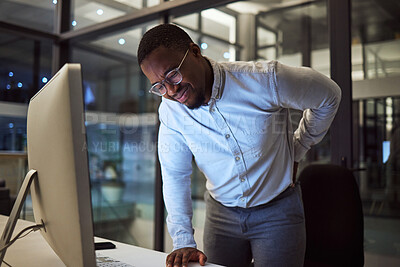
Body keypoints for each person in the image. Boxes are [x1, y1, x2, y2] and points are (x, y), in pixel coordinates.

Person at [137, 23, 341, 267]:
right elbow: (174, 174)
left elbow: (329, 95)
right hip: (220, 215)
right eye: (159, 86)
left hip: (277, 210)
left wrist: (299, 148)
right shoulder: (170, 110)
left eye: (173, 74)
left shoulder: (265, 80)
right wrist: (183, 240)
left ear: (194, 52)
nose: (171, 90)